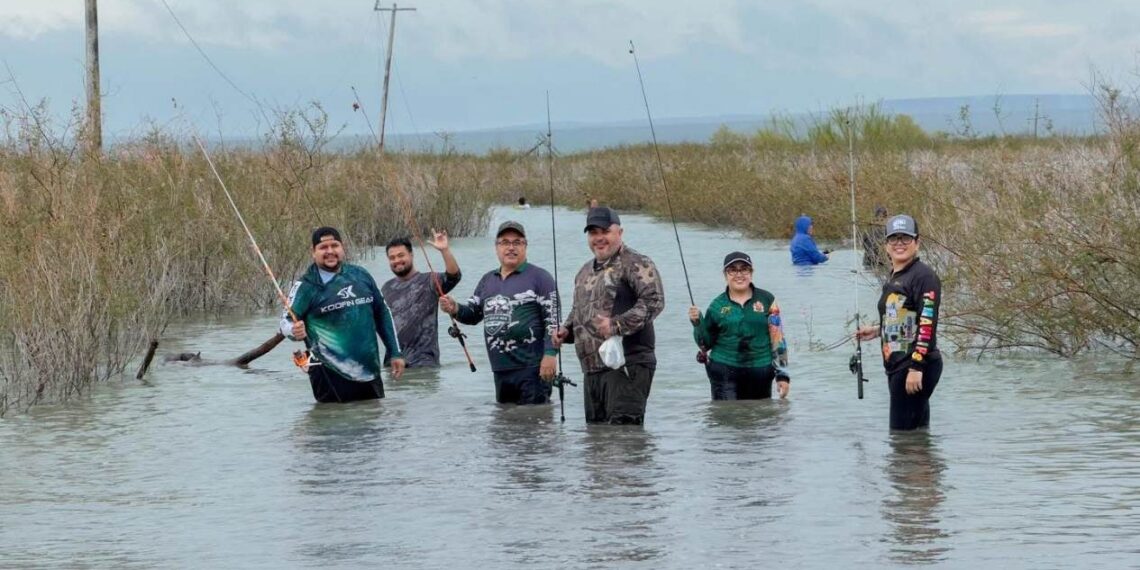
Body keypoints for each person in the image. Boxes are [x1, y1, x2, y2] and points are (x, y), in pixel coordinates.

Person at [553, 207, 665, 424]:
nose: (599, 238)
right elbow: (578, 310)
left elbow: (654, 301)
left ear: (619, 232)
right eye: (593, 233)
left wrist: (616, 325)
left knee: (623, 443)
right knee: (597, 444)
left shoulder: (636, 262)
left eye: (605, 231)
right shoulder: (584, 271)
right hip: (592, 370)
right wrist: (565, 330)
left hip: (626, 365)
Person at [439, 221, 559, 405]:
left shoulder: (540, 277)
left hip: (532, 370)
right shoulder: (487, 280)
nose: (511, 247)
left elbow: (553, 320)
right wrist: (454, 308)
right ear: (497, 247)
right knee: (503, 427)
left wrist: (550, 354)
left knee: (534, 425)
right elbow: (472, 314)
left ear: (525, 246)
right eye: (505, 242)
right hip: (500, 371)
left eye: (517, 242)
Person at [281, 226, 405, 403]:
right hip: (328, 373)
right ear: (313, 252)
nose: (330, 251)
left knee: (375, 426)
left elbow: (382, 312)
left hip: (369, 371)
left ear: (342, 248)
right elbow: (284, 322)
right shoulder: (306, 285)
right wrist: (294, 330)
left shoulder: (360, 275)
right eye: (323, 247)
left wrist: (395, 352)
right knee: (338, 427)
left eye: (335, 245)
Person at [856, 214, 943, 430]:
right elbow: (905, 316)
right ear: (886, 245)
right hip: (898, 366)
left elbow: (926, 325)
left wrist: (916, 367)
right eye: (894, 239)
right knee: (917, 436)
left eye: (906, 238)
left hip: (913, 366)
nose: (899, 244)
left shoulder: (924, 276)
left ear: (917, 242)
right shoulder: (897, 275)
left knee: (902, 439)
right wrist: (878, 331)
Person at [688, 251, 790, 400]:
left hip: (761, 371)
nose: (739, 274)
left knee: (761, 420)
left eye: (744, 269)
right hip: (724, 372)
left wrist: (783, 375)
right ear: (725, 275)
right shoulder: (717, 305)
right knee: (727, 418)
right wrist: (697, 323)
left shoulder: (767, 299)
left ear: (751, 273)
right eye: (733, 270)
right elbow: (705, 344)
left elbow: (778, 339)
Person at [381, 231, 462, 368]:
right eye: (392, 257)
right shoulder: (386, 288)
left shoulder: (430, 281)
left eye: (401, 255)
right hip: (393, 364)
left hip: (424, 363)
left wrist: (444, 250)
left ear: (411, 255)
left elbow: (454, 276)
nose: (397, 260)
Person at [862, 206, 889, 271]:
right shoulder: (869, 231)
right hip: (870, 261)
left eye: (882, 219)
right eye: (877, 219)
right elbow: (864, 244)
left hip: (881, 262)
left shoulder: (888, 230)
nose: (879, 221)